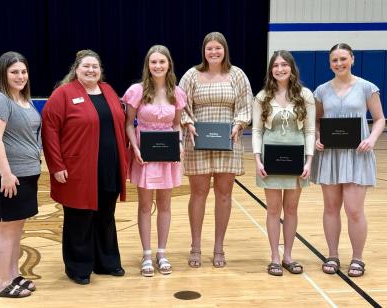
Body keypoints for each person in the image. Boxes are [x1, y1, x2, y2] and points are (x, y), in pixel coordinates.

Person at [41, 50, 128, 285]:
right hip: (78, 169)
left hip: (109, 166)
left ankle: (106, 262)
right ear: (76, 69)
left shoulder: (108, 90)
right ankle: (78, 267)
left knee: (106, 217)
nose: (91, 70)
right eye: (86, 66)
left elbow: (119, 125)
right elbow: (49, 131)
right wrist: (56, 165)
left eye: (95, 66)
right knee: (79, 218)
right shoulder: (63, 94)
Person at [179, 32, 252, 268]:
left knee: (224, 195)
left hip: (227, 142)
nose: (213, 52)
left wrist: (239, 124)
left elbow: (246, 106)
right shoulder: (191, 75)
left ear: (224, 51)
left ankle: (219, 247)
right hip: (197, 142)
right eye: (209, 49)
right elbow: (181, 105)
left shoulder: (237, 75)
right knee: (198, 194)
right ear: (204, 51)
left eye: (217, 49)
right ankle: (196, 246)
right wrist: (188, 122)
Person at [312, 43, 385, 277]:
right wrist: (316, 137)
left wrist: (372, 139)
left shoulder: (367, 88)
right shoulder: (321, 91)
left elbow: (380, 118)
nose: (339, 63)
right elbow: (316, 121)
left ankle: (357, 258)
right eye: (334, 60)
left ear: (352, 59)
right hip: (331, 155)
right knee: (331, 208)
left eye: (343, 59)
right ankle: (332, 255)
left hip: (357, 155)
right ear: (329, 63)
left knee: (354, 210)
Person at [0, 51, 40, 298]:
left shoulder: (22, 98)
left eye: (23, 71)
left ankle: (13, 276)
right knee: (4, 230)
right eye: (14, 72)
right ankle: (2, 283)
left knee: (16, 229)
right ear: (3, 73)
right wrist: (5, 174)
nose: (20, 76)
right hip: (4, 177)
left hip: (23, 175)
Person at [123, 45, 186, 277]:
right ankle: (147, 254)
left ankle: (162, 252)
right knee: (144, 205)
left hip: (167, 154)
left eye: (162, 62)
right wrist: (135, 147)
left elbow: (176, 124)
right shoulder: (137, 91)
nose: (158, 66)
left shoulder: (177, 93)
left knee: (166, 205)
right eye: (153, 62)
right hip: (144, 154)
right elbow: (129, 123)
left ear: (169, 64)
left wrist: (179, 144)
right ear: (147, 65)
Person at [252, 50, 315, 276]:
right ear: (271, 70)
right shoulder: (262, 97)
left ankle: (288, 255)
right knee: (273, 210)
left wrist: (308, 161)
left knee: (291, 209)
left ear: (291, 68)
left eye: (284, 65)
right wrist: (258, 160)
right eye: (276, 65)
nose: (280, 69)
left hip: (296, 161)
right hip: (270, 160)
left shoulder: (305, 95)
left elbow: (309, 131)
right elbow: (257, 131)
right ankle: (275, 257)